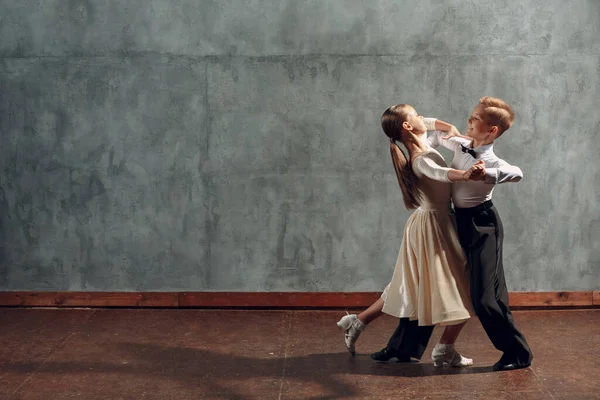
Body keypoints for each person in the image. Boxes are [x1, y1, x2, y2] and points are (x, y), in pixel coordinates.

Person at [337, 104, 482, 367]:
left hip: (432, 222)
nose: (421, 118)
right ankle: (445, 348)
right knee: (458, 287)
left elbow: (427, 123)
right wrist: (465, 174)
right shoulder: (419, 158)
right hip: (433, 227)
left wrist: (448, 127)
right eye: (414, 114)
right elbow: (439, 173)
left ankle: (358, 322)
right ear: (406, 126)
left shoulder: (421, 140)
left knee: (410, 285)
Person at [423, 96, 533, 371]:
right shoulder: (460, 144)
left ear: (492, 130)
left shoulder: (493, 160)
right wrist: (426, 149)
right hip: (456, 221)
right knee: (443, 285)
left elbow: (517, 173)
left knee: (486, 297)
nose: (469, 121)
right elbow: (434, 134)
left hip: (483, 225)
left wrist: (487, 175)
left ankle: (517, 354)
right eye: (471, 116)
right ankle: (424, 348)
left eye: (475, 118)